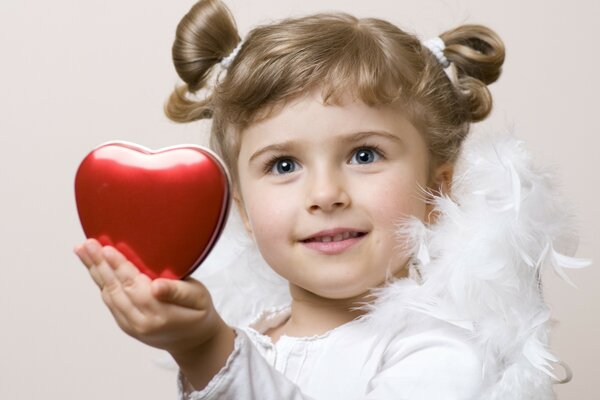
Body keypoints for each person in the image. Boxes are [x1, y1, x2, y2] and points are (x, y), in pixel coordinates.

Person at [74, 0, 591, 398]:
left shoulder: (442, 353)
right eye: (283, 165)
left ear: (438, 192)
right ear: (243, 212)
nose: (324, 195)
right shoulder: (251, 338)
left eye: (364, 155)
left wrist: (207, 349)